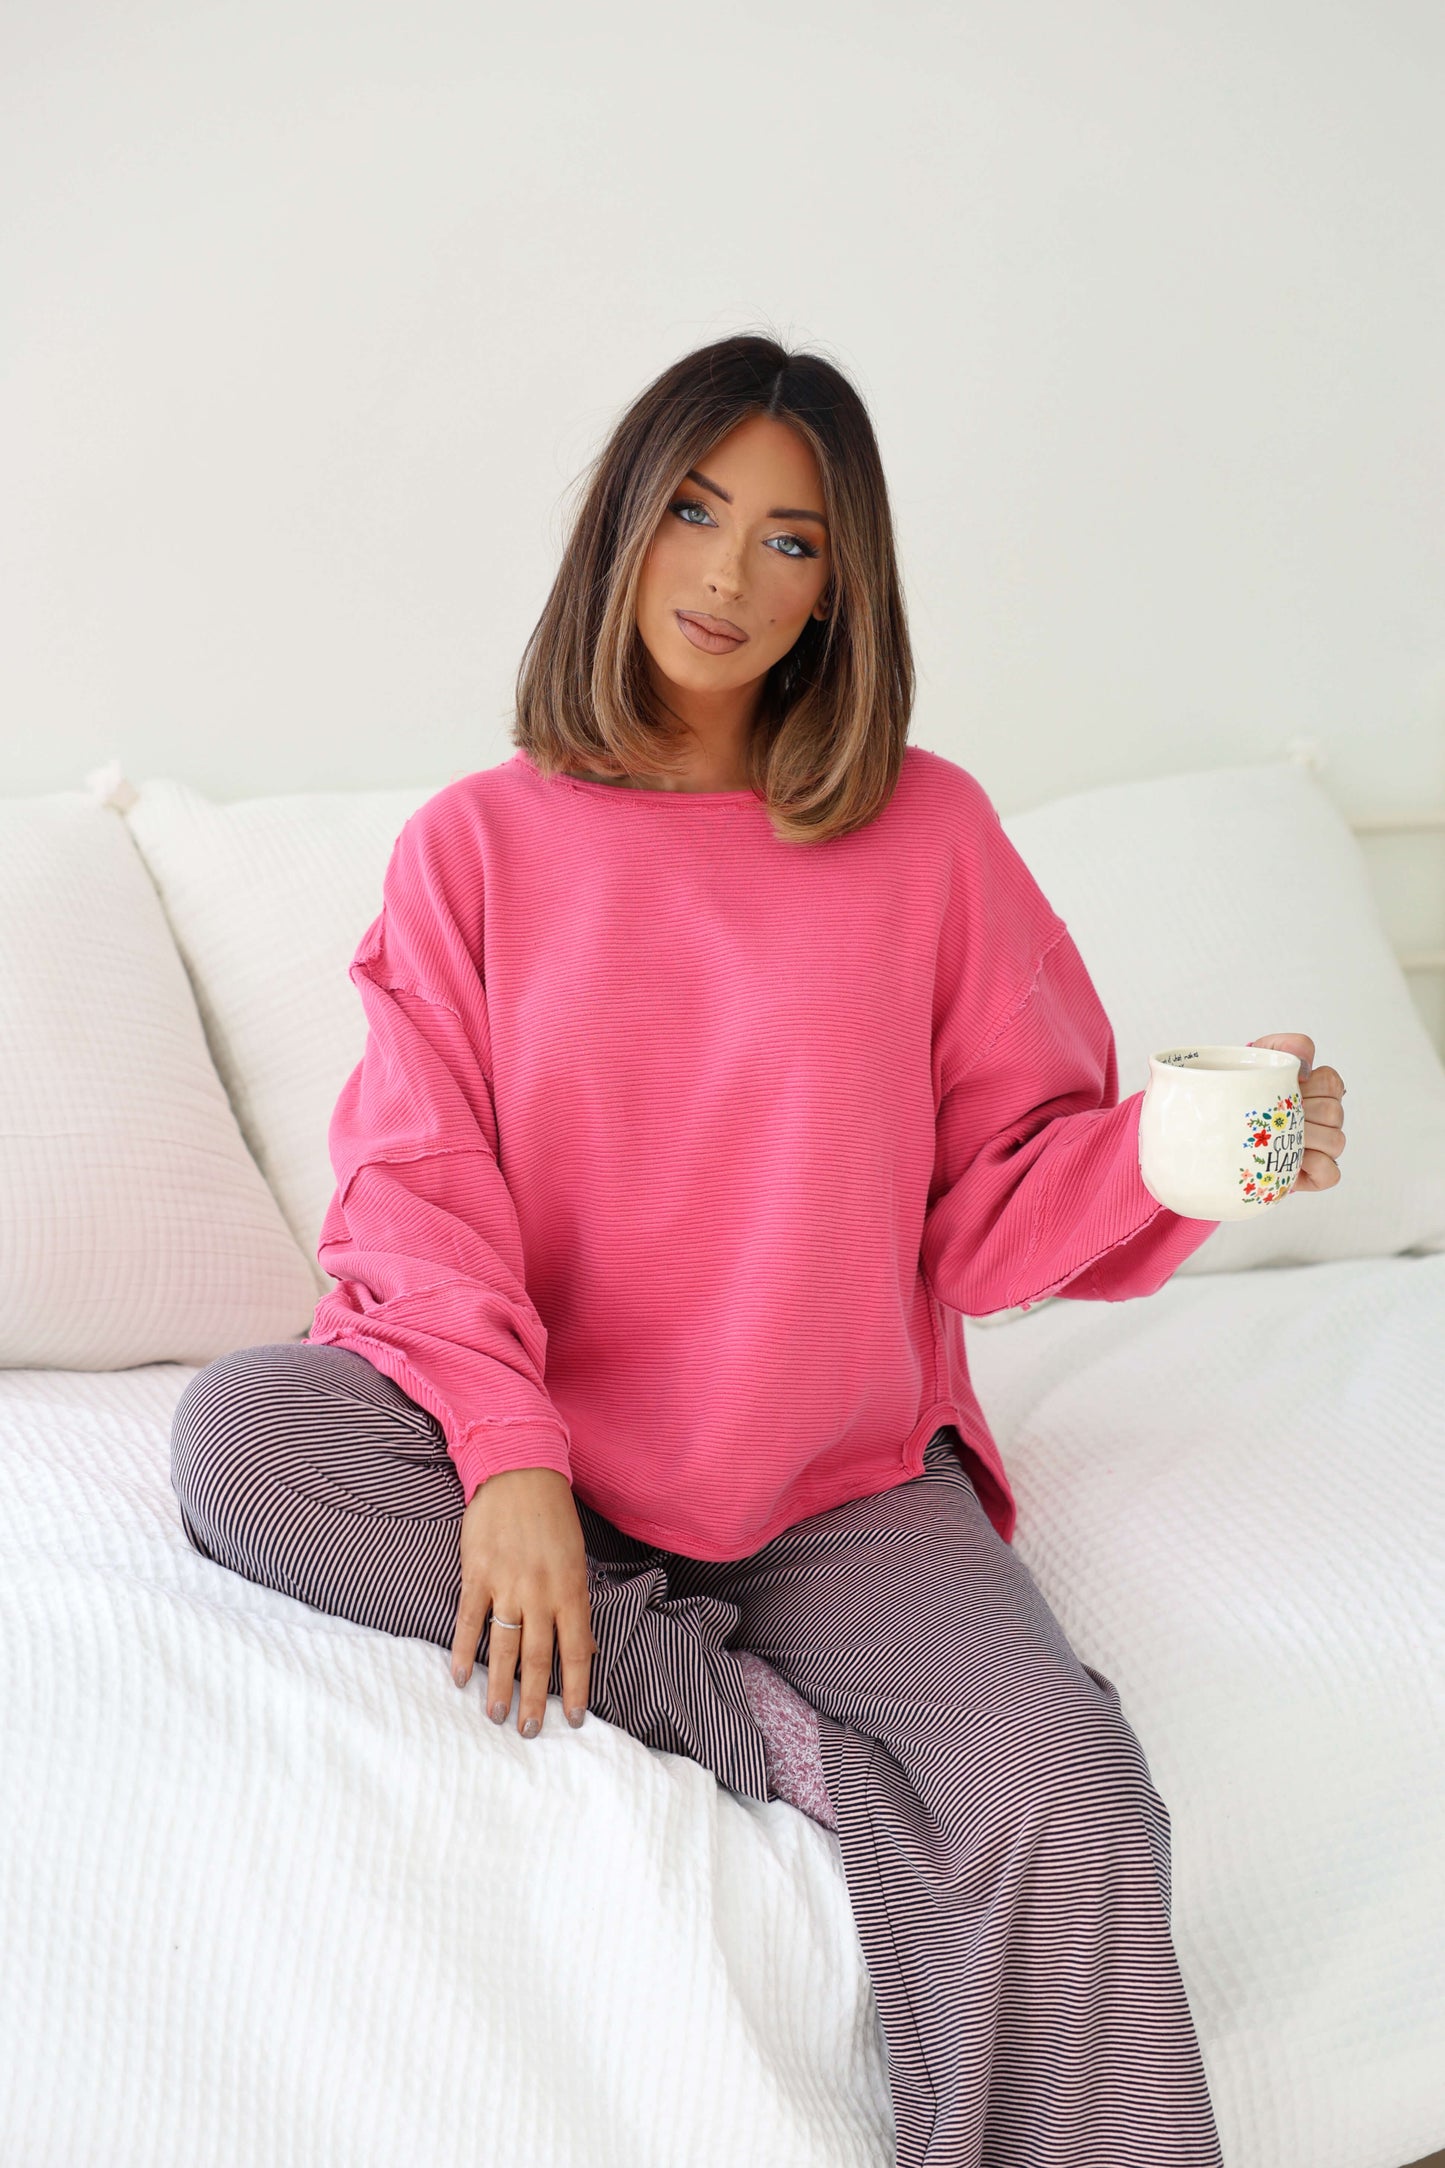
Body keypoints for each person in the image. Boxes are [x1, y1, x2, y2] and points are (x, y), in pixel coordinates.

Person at [170, 331, 1346, 2167]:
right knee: (247, 1436)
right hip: (547, 1461)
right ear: (623, 528)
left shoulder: (928, 834)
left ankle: (752, 1704)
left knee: (1067, 1781)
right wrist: (508, 1458)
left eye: (791, 541)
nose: (729, 575)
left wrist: (1194, 1153)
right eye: (697, 512)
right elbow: (418, 1189)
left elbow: (991, 1206)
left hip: (834, 1482)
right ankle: (772, 1732)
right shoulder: (475, 846)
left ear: (840, 589)